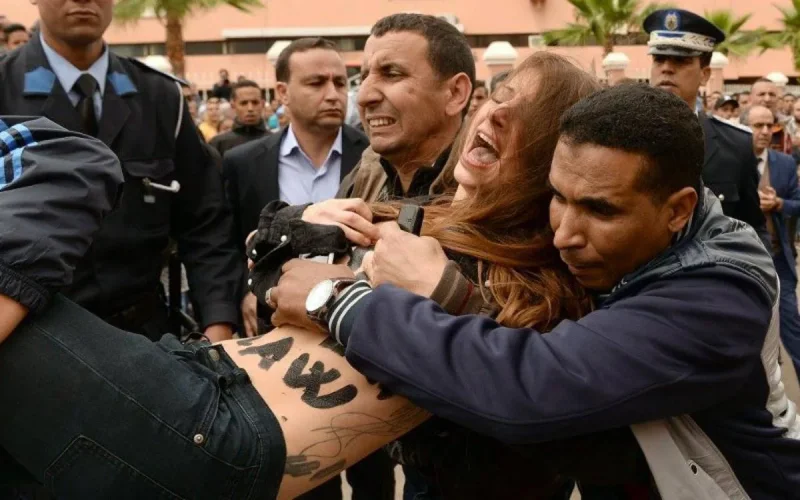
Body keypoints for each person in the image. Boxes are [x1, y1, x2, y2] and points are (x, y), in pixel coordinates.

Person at [0, 54, 605, 499]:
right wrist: (306, 228)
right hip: (201, 383)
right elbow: (271, 258)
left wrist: (416, 294)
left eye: (527, 114)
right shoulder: (427, 218)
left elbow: (531, 387)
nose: (495, 117)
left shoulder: (544, 274)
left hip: (217, 433)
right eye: (500, 95)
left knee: (61, 155)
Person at [273, 82, 800, 499]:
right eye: (557, 197)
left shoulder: (716, 294)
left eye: (600, 210)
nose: (565, 233)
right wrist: (302, 223)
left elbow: (531, 387)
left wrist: (339, 302)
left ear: (679, 209)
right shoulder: (633, 239)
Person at [0, 0, 243, 341]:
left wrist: (219, 326)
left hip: (146, 338)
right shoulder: (4, 87)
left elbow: (205, 223)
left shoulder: (160, 97)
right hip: (28, 344)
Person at [222, 38, 368, 338]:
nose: (333, 94)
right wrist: (246, 290)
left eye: (340, 83)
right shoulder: (243, 163)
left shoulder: (372, 156)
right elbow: (227, 244)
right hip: (270, 324)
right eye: (316, 83)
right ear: (283, 93)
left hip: (353, 327)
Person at [646, 8, 768, 246]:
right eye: (659, 59)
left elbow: (753, 228)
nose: (666, 68)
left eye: (680, 60)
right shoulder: (620, 135)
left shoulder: (737, 145)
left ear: (705, 74)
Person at [740, 105, 800, 386]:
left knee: (793, 334)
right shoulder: (731, 162)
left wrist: (779, 204)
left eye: (769, 126)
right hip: (743, 265)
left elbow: (799, 203)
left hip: (779, 263)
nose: (765, 132)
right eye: (757, 126)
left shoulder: (784, 164)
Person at [209, 79, 270, 156]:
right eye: (243, 103)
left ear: (263, 104)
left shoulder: (276, 142)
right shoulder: (218, 144)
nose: (250, 108)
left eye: (255, 103)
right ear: (233, 105)